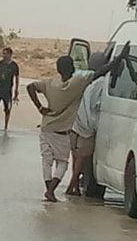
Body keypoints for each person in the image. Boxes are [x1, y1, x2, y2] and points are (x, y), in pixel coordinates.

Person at [27, 44, 129, 202]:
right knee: (62, 163)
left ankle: (49, 189)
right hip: (62, 133)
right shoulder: (78, 83)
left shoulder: (49, 83)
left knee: (46, 161)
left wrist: (40, 107)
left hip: (46, 129)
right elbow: (101, 72)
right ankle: (51, 190)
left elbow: (30, 87)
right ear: (72, 68)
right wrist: (119, 58)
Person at [66, 53, 109, 196]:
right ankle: (72, 184)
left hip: (74, 121)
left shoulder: (80, 75)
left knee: (75, 155)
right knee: (81, 157)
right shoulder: (102, 82)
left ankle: (75, 186)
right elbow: (98, 104)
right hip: (87, 125)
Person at [0, 47, 20, 131]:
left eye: (5, 54)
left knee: (7, 108)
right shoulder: (1, 63)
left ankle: (5, 126)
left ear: (10, 54)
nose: (3, 55)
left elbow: (17, 78)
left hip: (8, 90)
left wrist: (16, 91)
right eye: (3, 53)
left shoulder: (14, 66)